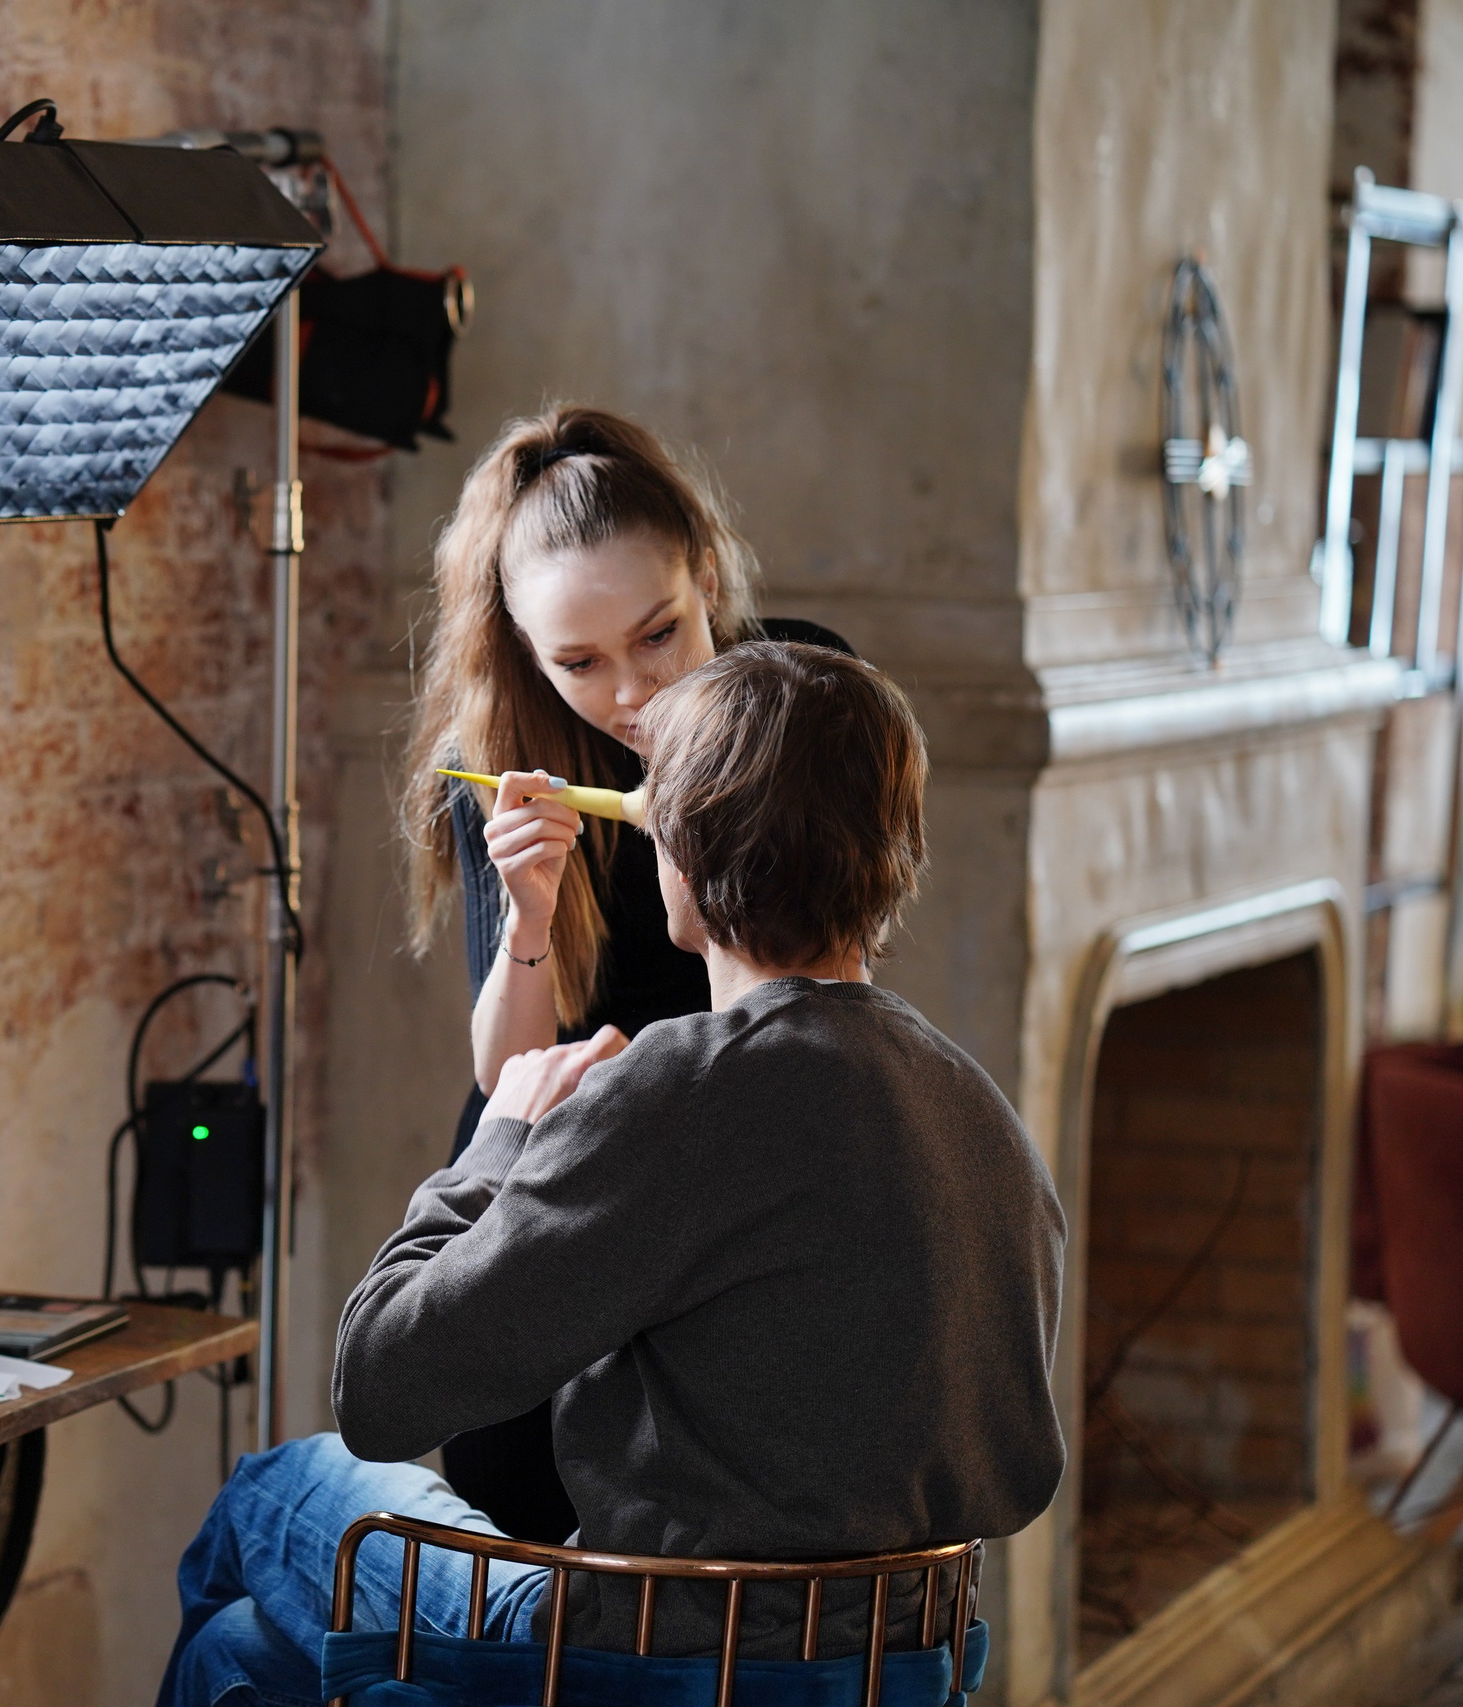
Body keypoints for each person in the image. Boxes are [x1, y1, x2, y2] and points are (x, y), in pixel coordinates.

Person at [157, 642, 1066, 1707]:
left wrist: (500, 1137)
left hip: (649, 1655)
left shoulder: (687, 1087)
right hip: (890, 1667)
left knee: (274, 1491)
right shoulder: (979, 1110)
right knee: (238, 1655)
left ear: (685, 847)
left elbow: (380, 1384)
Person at [397, 404, 761, 1538]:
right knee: (522, 1520)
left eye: (661, 634)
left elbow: (834, 962)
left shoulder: (787, 702)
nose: (633, 694)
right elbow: (509, 1069)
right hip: (554, 1176)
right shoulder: (501, 759)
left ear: (703, 575)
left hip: (721, 1167)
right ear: (521, 645)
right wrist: (529, 914)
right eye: (579, 663)